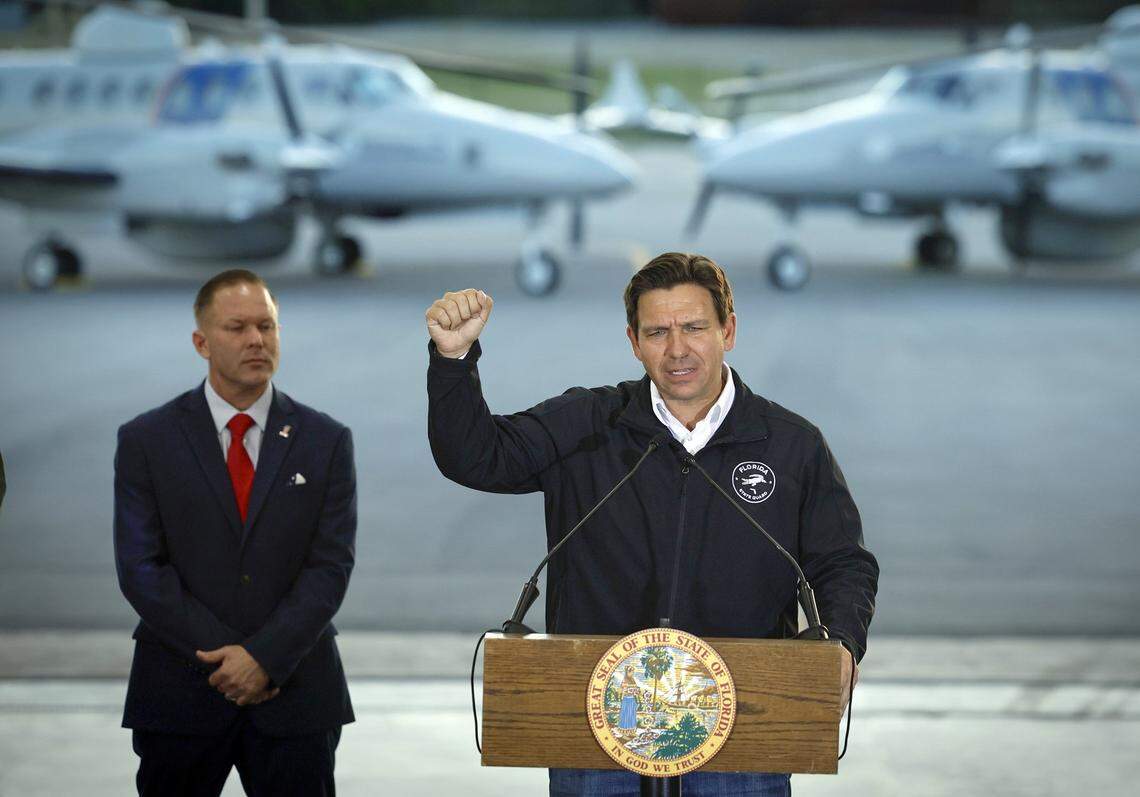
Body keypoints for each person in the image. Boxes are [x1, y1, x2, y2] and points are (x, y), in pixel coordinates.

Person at [425, 252, 878, 797]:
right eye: (657, 332)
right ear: (633, 341)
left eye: (694, 328)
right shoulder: (587, 424)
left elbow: (841, 562)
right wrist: (453, 362)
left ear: (728, 331)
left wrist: (841, 642)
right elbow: (476, 457)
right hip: (595, 725)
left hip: (744, 723)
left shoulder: (790, 444)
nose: (677, 349)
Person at [114, 269, 357, 797]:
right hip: (180, 690)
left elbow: (330, 566)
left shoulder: (325, 441)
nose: (256, 340)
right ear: (201, 342)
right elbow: (140, 568)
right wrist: (232, 659)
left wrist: (266, 658)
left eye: (267, 326)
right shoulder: (146, 440)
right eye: (238, 327)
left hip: (295, 695)